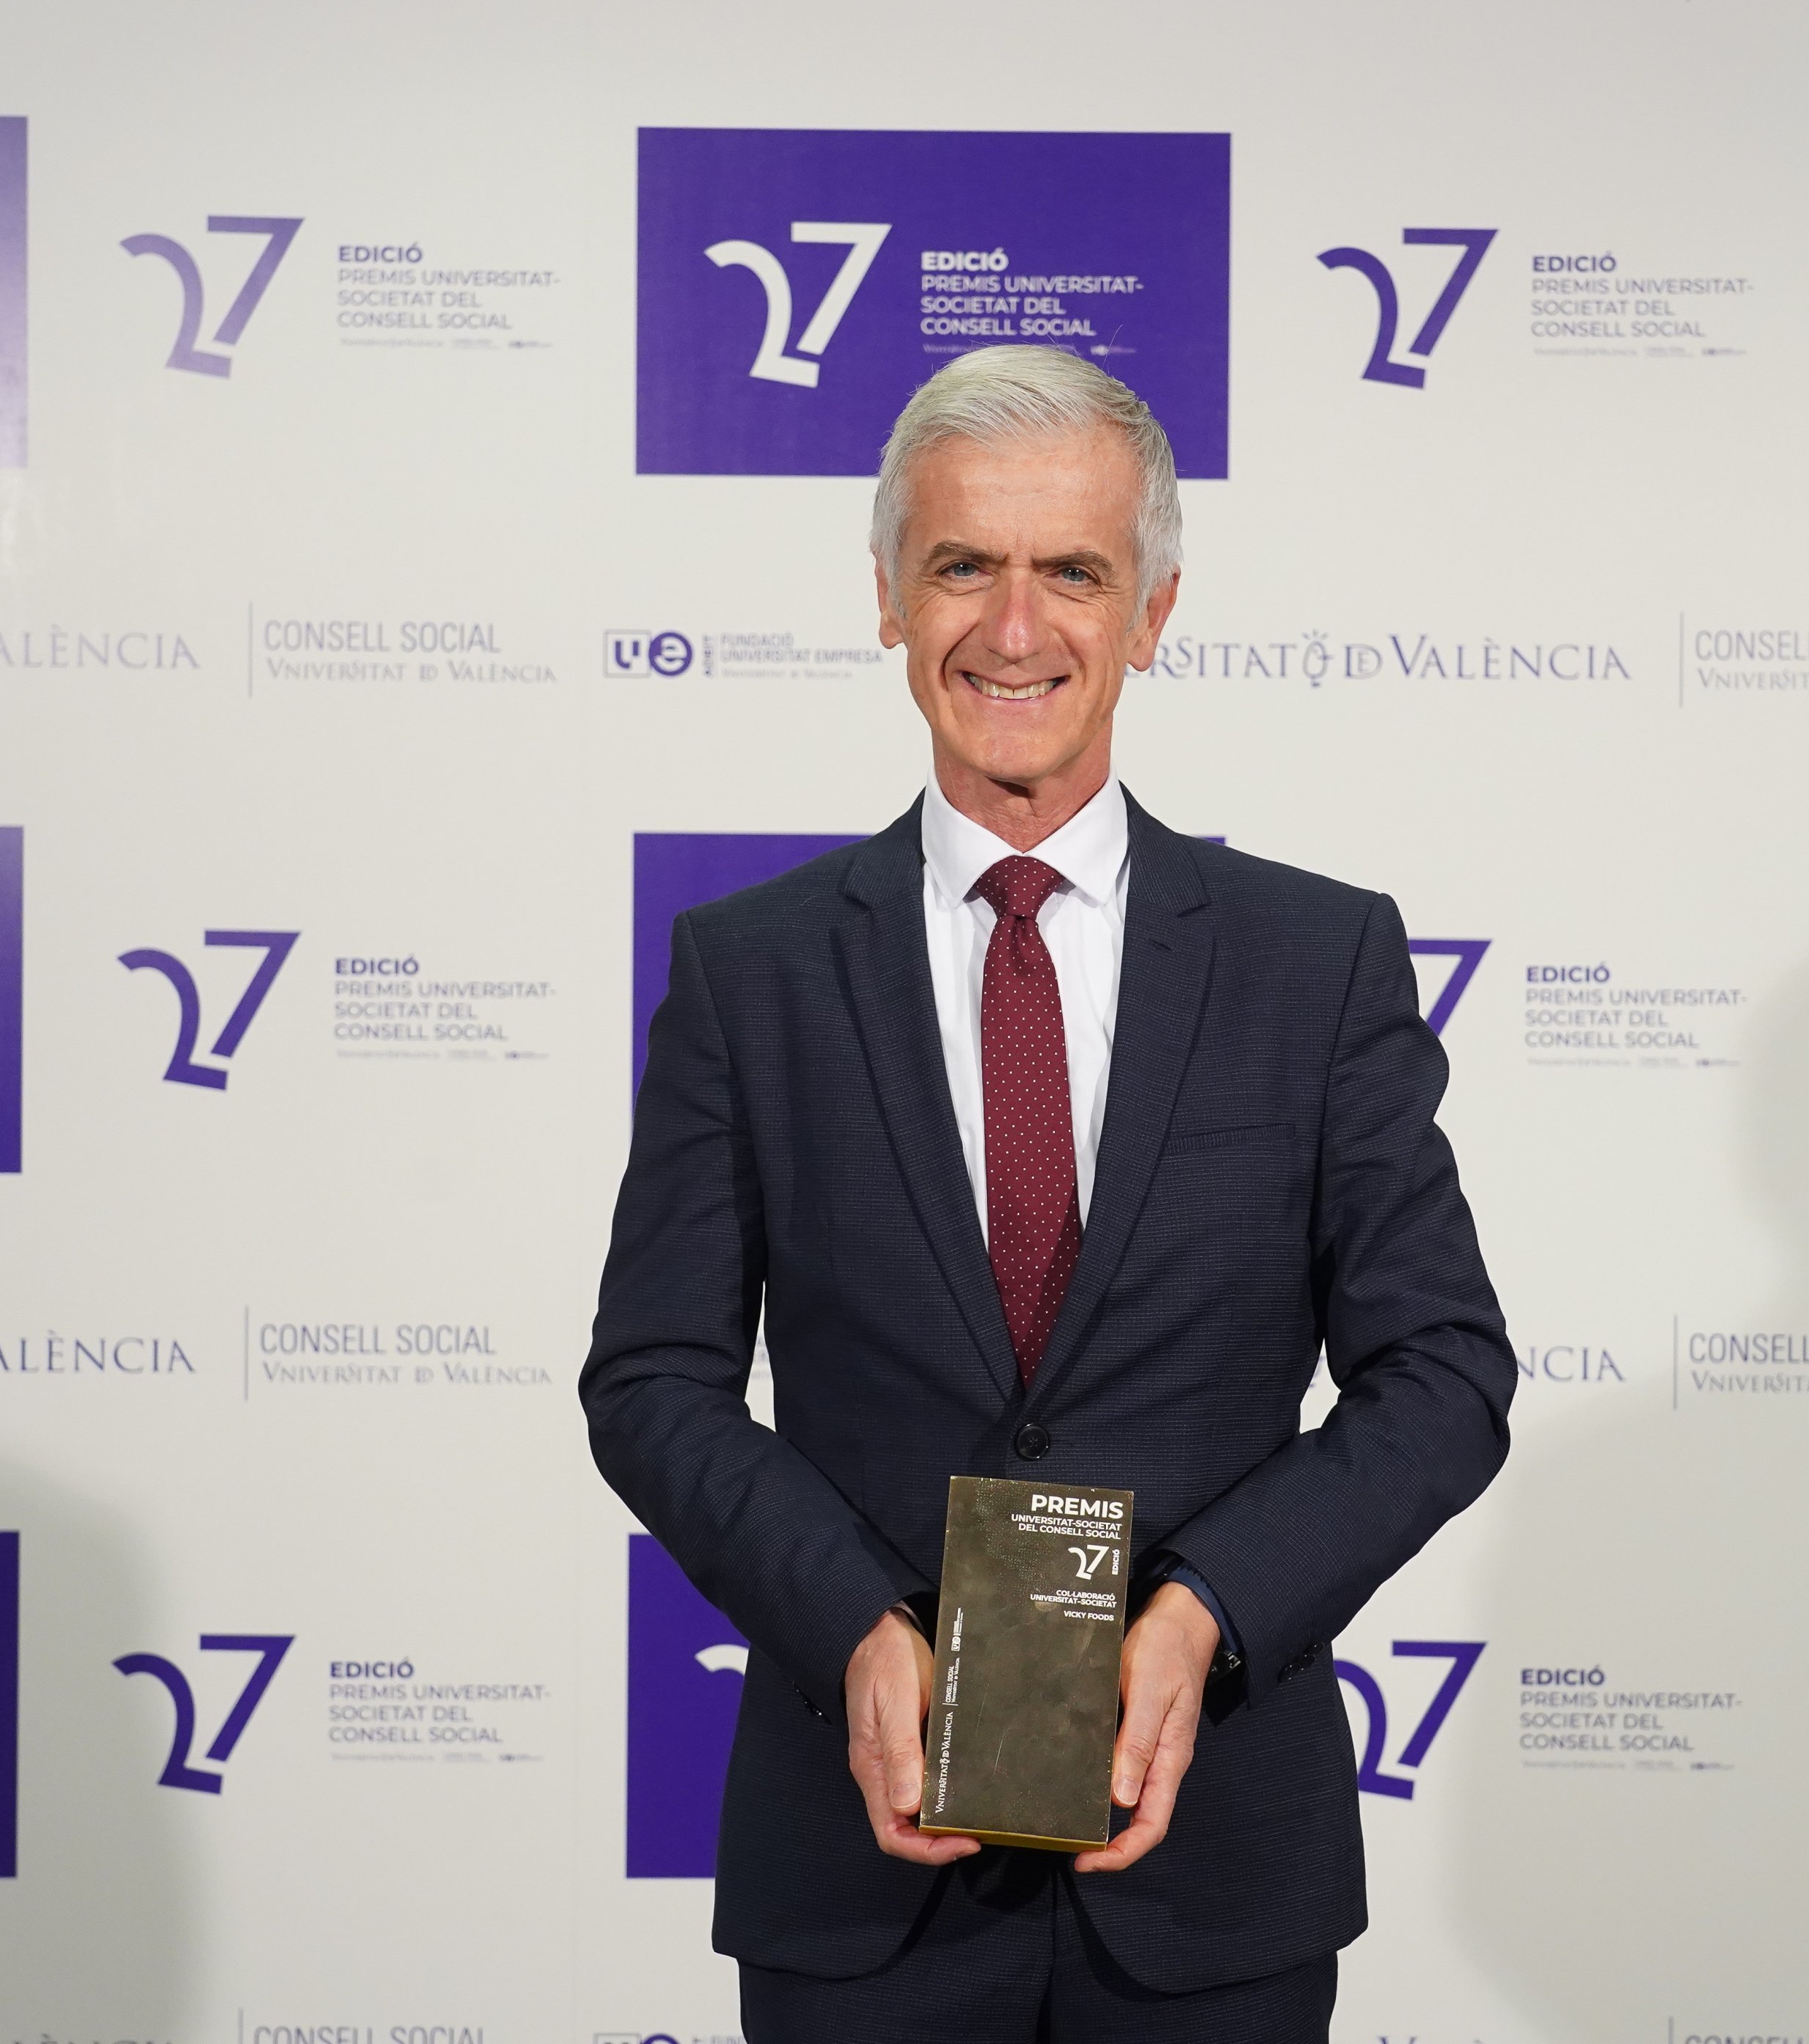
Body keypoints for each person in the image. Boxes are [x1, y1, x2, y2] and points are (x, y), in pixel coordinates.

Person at [583, 345, 1515, 2043]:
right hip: (859, 1871)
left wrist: (1206, 1612)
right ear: (888, 595)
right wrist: (855, 1626)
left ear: (1152, 612)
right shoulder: (750, 972)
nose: (1014, 629)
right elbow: (651, 1378)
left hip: (1212, 1870)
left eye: (1072, 571)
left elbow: (1444, 1372)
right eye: (964, 565)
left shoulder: (1316, 962)